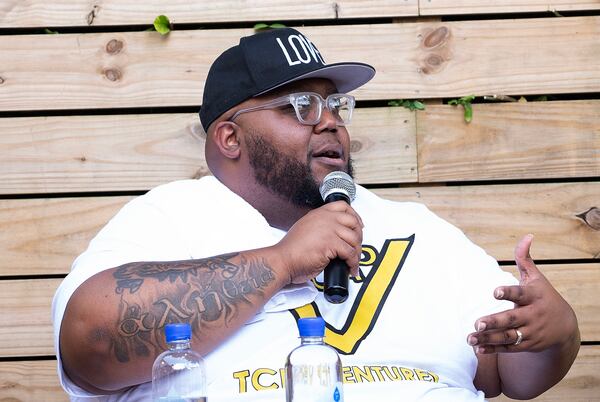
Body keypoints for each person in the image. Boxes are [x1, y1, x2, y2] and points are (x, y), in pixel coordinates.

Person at [52, 27, 579, 402]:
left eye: (335, 107)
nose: (329, 122)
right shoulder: (169, 218)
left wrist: (553, 334)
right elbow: (90, 346)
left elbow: (505, 376)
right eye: (300, 107)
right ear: (230, 137)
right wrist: (283, 260)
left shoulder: (420, 229)